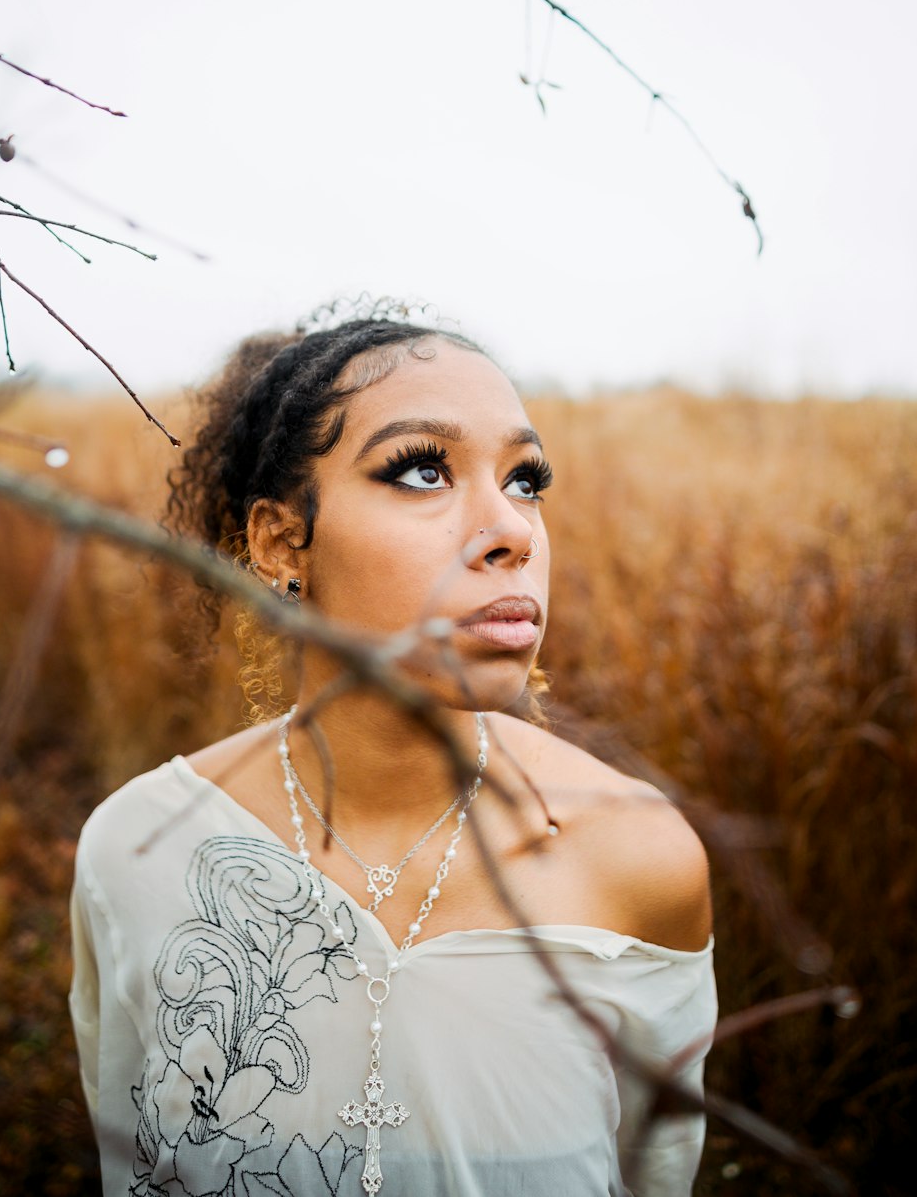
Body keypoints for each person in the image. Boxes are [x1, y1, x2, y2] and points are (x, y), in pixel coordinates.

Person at [69, 302, 715, 1197]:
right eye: (421, 470)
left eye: (526, 479)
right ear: (279, 540)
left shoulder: (640, 856)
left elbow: (656, 1178)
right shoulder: (139, 845)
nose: (513, 531)